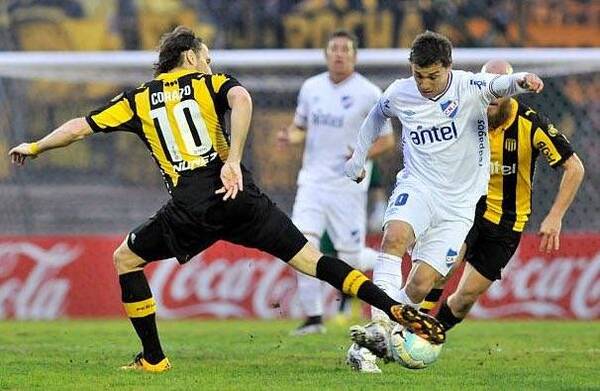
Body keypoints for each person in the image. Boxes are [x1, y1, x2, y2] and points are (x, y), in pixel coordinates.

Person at [8, 26, 444, 373]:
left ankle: (154, 359)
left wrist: (35, 146)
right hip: (239, 195)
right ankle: (393, 309)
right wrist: (233, 159)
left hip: (192, 206)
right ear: (191, 58)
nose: (210, 62)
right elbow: (242, 97)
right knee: (312, 259)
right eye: (206, 56)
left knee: (126, 260)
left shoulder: (137, 98)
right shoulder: (210, 81)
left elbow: (78, 127)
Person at [343, 31, 544, 372]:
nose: (424, 84)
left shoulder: (469, 87)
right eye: (418, 75)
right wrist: (358, 160)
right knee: (393, 238)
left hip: (459, 206)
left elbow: (500, 86)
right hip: (419, 186)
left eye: (432, 76)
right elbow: (376, 115)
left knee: (422, 283)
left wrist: (523, 81)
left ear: (448, 68)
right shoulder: (400, 92)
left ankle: (372, 344)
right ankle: (378, 324)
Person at [418, 59, 585, 330]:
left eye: (500, 89)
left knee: (464, 298)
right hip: (467, 210)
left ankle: (430, 333)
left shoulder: (530, 124)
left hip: (508, 222)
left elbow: (574, 167)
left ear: (511, 90)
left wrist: (555, 216)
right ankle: (409, 328)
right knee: (443, 267)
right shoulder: (464, 116)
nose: (493, 94)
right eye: (488, 87)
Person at [278, 29, 395, 338]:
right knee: (300, 244)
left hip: (348, 186)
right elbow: (301, 127)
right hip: (312, 182)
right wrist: (290, 136)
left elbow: (387, 141)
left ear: (354, 56)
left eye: (345, 49)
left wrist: (360, 154)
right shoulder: (310, 87)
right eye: (334, 48)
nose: (339, 53)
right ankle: (314, 318)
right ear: (326, 54)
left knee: (351, 257)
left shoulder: (369, 93)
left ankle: (392, 259)